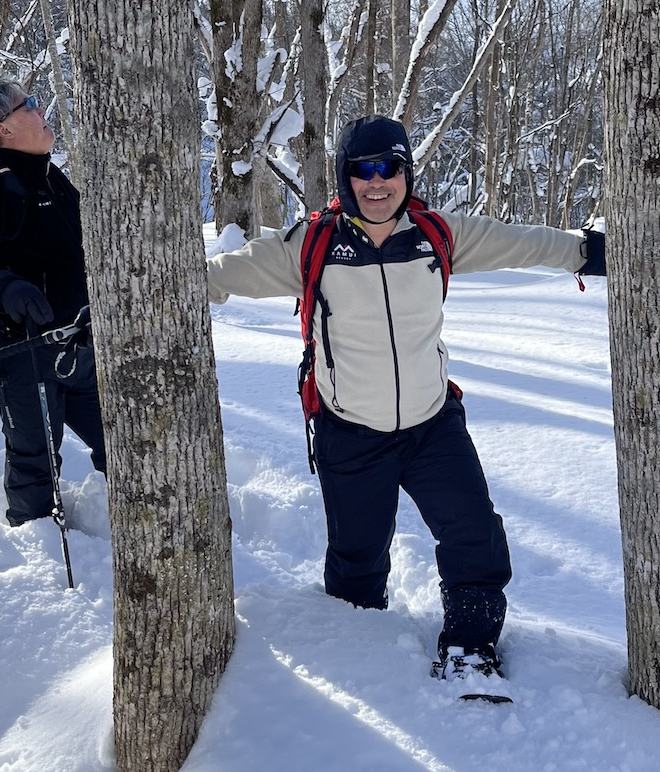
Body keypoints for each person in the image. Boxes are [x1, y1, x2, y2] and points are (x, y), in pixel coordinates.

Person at [207, 115, 605, 684]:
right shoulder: (313, 244)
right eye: (363, 170)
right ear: (345, 178)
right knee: (356, 563)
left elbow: (517, 239)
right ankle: (364, 655)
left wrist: (583, 251)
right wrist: (143, 289)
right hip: (350, 433)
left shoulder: (435, 235)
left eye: (389, 168)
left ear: (406, 175)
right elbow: (223, 275)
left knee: (474, 537)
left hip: (431, 424)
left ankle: (471, 646)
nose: (377, 182)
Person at [0, 72, 105, 527]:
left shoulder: (53, 179)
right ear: (3, 129)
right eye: (28, 103)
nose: (41, 107)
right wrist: (6, 286)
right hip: (21, 349)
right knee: (36, 460)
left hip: (76, 344)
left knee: (119, 436)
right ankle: (37, 556)